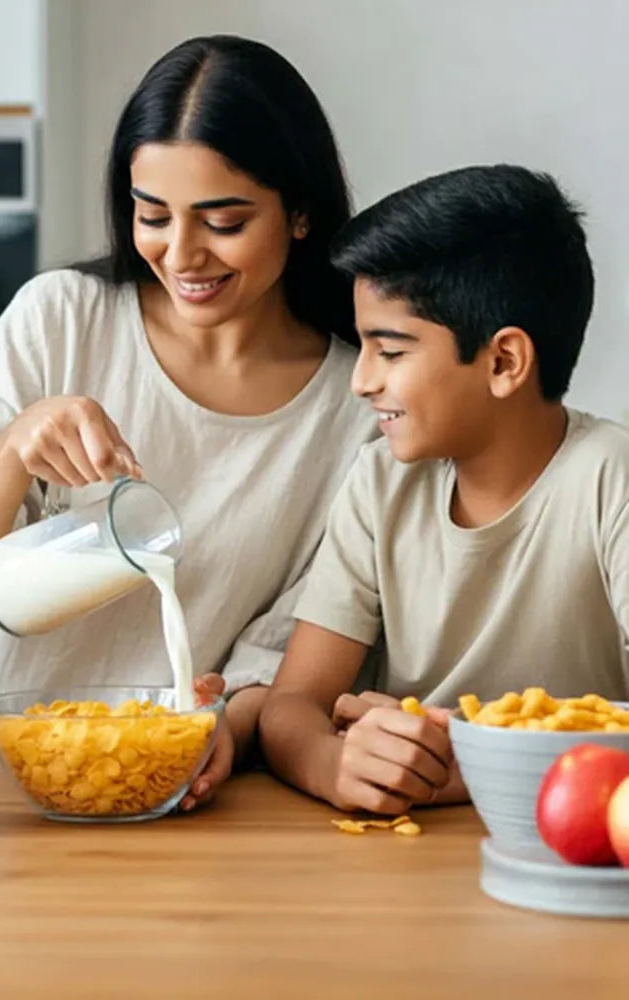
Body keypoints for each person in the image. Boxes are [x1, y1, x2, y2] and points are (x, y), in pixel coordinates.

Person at [0, 35, 376, 801]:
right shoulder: (61, 319)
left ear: (299, 213)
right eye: (152, 214)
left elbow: (282, 656)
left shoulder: (351, 408)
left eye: (222, 222)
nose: (182, 254)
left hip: (165, 782)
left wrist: (223, 724)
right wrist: (14, 447)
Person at [259, 163, 629, 814]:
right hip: (400, 863)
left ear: (503, 362)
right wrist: (336, 765)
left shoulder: (609, 476)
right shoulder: (379, 486)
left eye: (391, 351)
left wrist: (477, 753)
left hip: (577, 847)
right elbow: (293, 706)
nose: (361, 380)